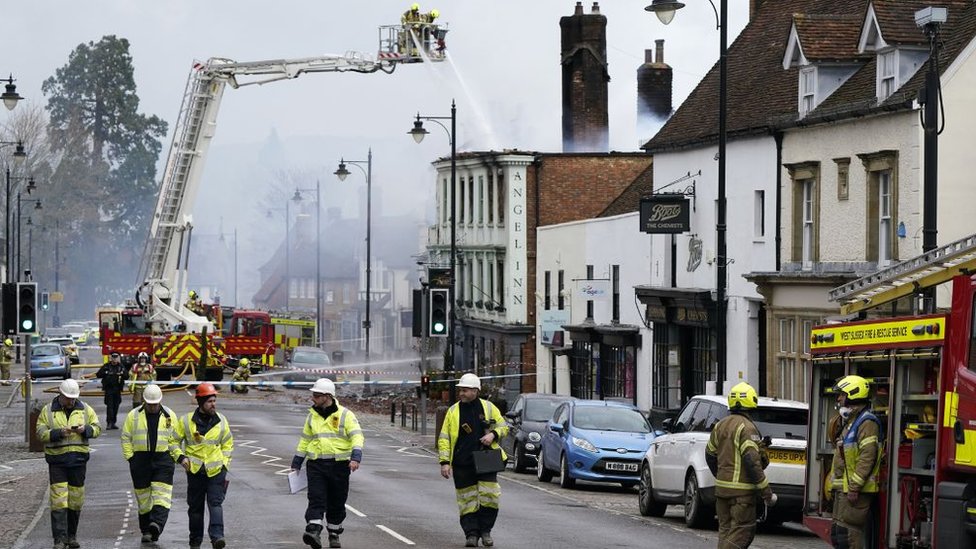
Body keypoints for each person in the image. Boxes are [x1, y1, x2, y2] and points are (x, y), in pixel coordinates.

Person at [291, 378, 364, 549]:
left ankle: (334, 533)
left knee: (337, 501)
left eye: (316, 395)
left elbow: (357, 436)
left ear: (327, 396)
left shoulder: (345, 415)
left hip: (339, 466)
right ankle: (313, 532)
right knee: (316, 498)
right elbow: (305, 440)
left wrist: (355, 457)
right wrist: (297, 461)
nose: (313, 398)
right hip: (316, 464)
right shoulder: (312, 416)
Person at [437, 373, 508, 547]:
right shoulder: (453, 411)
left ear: (476, 391)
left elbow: (503, 426)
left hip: (486, 460)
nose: (461, 393)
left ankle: (486, 531)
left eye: (465, 390)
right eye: (460, 390)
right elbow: (444, 438)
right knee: (467, 501)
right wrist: (445, 462)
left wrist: (493, 434)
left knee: (490, 496)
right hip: (462, 462)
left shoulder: (489, 408)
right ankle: (471, 535)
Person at [705, 382, 775, 549]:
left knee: (726, 532)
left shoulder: (720, 425)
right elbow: (753, 462)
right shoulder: (748, 428)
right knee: (742, 532)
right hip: (741, 495)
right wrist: (767, 493)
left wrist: (722, 476)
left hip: (722, 492)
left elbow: (709, 454)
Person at [35, 378, 102, 549]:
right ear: (60, 394)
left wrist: (84, 430)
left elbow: (97, 428)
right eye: (67, 398)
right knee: (58, 501)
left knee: (75, 501)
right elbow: (40, 433)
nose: (71, 401)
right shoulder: (48, 411)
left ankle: (71, 536)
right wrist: (58, 433)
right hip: (57, 461)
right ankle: (59, 539)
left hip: (78, 461)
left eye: (73, 398)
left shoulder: (85, 409)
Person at [172, 383, 233, 549]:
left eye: (214, 400)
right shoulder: (185, 421)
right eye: (209, 401)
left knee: (215, 504)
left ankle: (217, 538)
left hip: (216, 471)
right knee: (195, 509)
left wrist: (225, 465)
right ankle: (195, 541)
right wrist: (181, 458)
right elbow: (173, 442)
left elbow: (227, 444)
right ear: (200, 403)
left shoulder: (221, 421)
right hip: (195, 471)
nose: (213, 404)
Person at [121, 383, 179, 544]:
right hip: (140, 461)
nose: (153, 407)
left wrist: (174, 457)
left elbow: (175, 438)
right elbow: (126, 437)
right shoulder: (133, 416)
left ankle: (157, 525)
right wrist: (131, 458)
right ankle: (146, 531)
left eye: (155, 404)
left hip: (163, 459)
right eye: (150, 404)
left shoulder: (170, 415)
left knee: (162, 496)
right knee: (144, 499)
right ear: (144, 401)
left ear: (160, 401)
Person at [830, 374, 882, 549]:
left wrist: (854, 487)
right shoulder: (851, 422)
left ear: (853, 394)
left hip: (855, 490)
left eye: (842, 394)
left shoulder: (867, 423)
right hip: (843, 489)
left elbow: (867, 457)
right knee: (838, 534)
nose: (839, 398)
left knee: (848, 536)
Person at [95, 352, 126, 429]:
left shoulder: (120, 366)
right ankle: (109, 422)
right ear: (111, 358)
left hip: (117, 389)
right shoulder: (106, 366)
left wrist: (122, 373)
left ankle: (113, 423)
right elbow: (98, 374)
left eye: (116, 357)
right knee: (110, 407)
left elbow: (127, 376)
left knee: (116, 406)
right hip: (109, 390)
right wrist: (106, 373)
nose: (115, 359)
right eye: (113, 357)